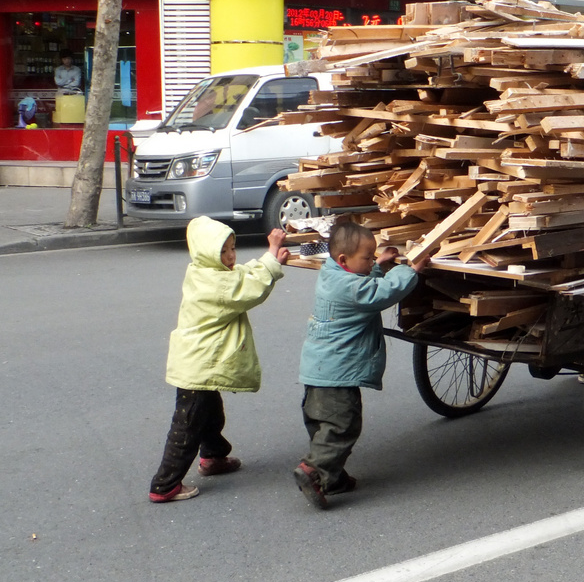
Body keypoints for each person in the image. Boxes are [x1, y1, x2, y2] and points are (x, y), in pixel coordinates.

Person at [149, 217, 289, 503]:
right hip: (198, 365)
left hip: (200, 364)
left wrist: (267, 259)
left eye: (233, 249)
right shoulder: (217, 284)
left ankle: (213, 456)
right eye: (223, 251)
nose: (231, 257)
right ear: (208, 254)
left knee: (210, 413)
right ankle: (164, 485)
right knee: (188, 424)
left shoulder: (203, 271)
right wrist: (272, 258)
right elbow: (249, 288)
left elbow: (240, 274)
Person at [294, 219, 419, 509]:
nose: (372, 261)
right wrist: (407, 270)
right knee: (342, 427)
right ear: (343, 259)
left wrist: (377, 265)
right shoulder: (351, 287)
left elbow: (361, 280)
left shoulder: (332, 274)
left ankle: (333, 479)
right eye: (368, 258)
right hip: (339, 372)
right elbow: (381, 292)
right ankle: (312, 471)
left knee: (323, 426)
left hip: (318, 371)